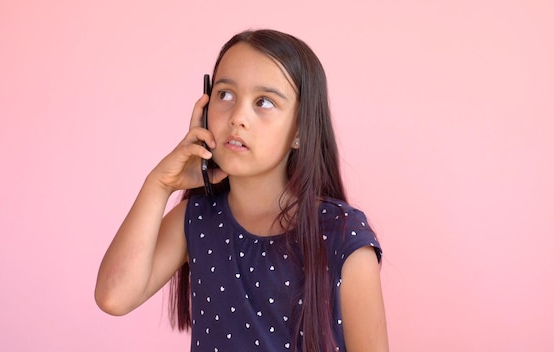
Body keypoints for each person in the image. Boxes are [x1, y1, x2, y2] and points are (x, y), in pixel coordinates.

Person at [95, 29, 388, 352]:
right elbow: (114, 296)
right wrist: (159, 184)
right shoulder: (196, 219)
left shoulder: (340, 233)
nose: (238, 117)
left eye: (264, 102)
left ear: (301, 131)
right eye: (225, 95)